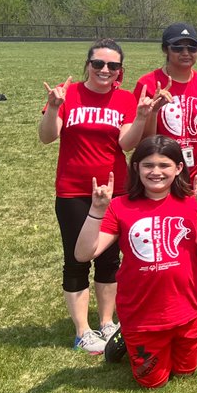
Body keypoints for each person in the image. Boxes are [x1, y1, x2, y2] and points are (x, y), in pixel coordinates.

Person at [73, 136, 197, 387]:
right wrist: (97, 211)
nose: (156, 172)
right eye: (148, 165)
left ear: (178, 168)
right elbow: (83, 254)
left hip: (186, 311)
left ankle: (137, 341)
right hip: (142, 314)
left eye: (164, 165)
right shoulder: (120, 206)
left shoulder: (191, 203)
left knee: (186, 372)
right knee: (153, 382)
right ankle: (125, 338)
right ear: (136, 168)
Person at [40, 39, 145, 353]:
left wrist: (140, 117)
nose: (104, 70)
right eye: (98, 63)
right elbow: (47, 137)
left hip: (115, 191)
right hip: (74, 191)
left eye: (112, 66)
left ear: (119, 71)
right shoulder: (67, 93)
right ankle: (82, 329)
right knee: (76, 259)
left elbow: (127, 144)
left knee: (110, 260)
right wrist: (54, 107)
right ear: (87, 65)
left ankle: (107, 321)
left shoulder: (125, 99)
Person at [134, 23, 197, 187]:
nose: (186, 53)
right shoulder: (147, 84)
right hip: (158, 173)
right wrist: (154, 111)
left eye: (192, 48)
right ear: (165, 50)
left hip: (196, 172)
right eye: (178, 48)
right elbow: (143, 140)